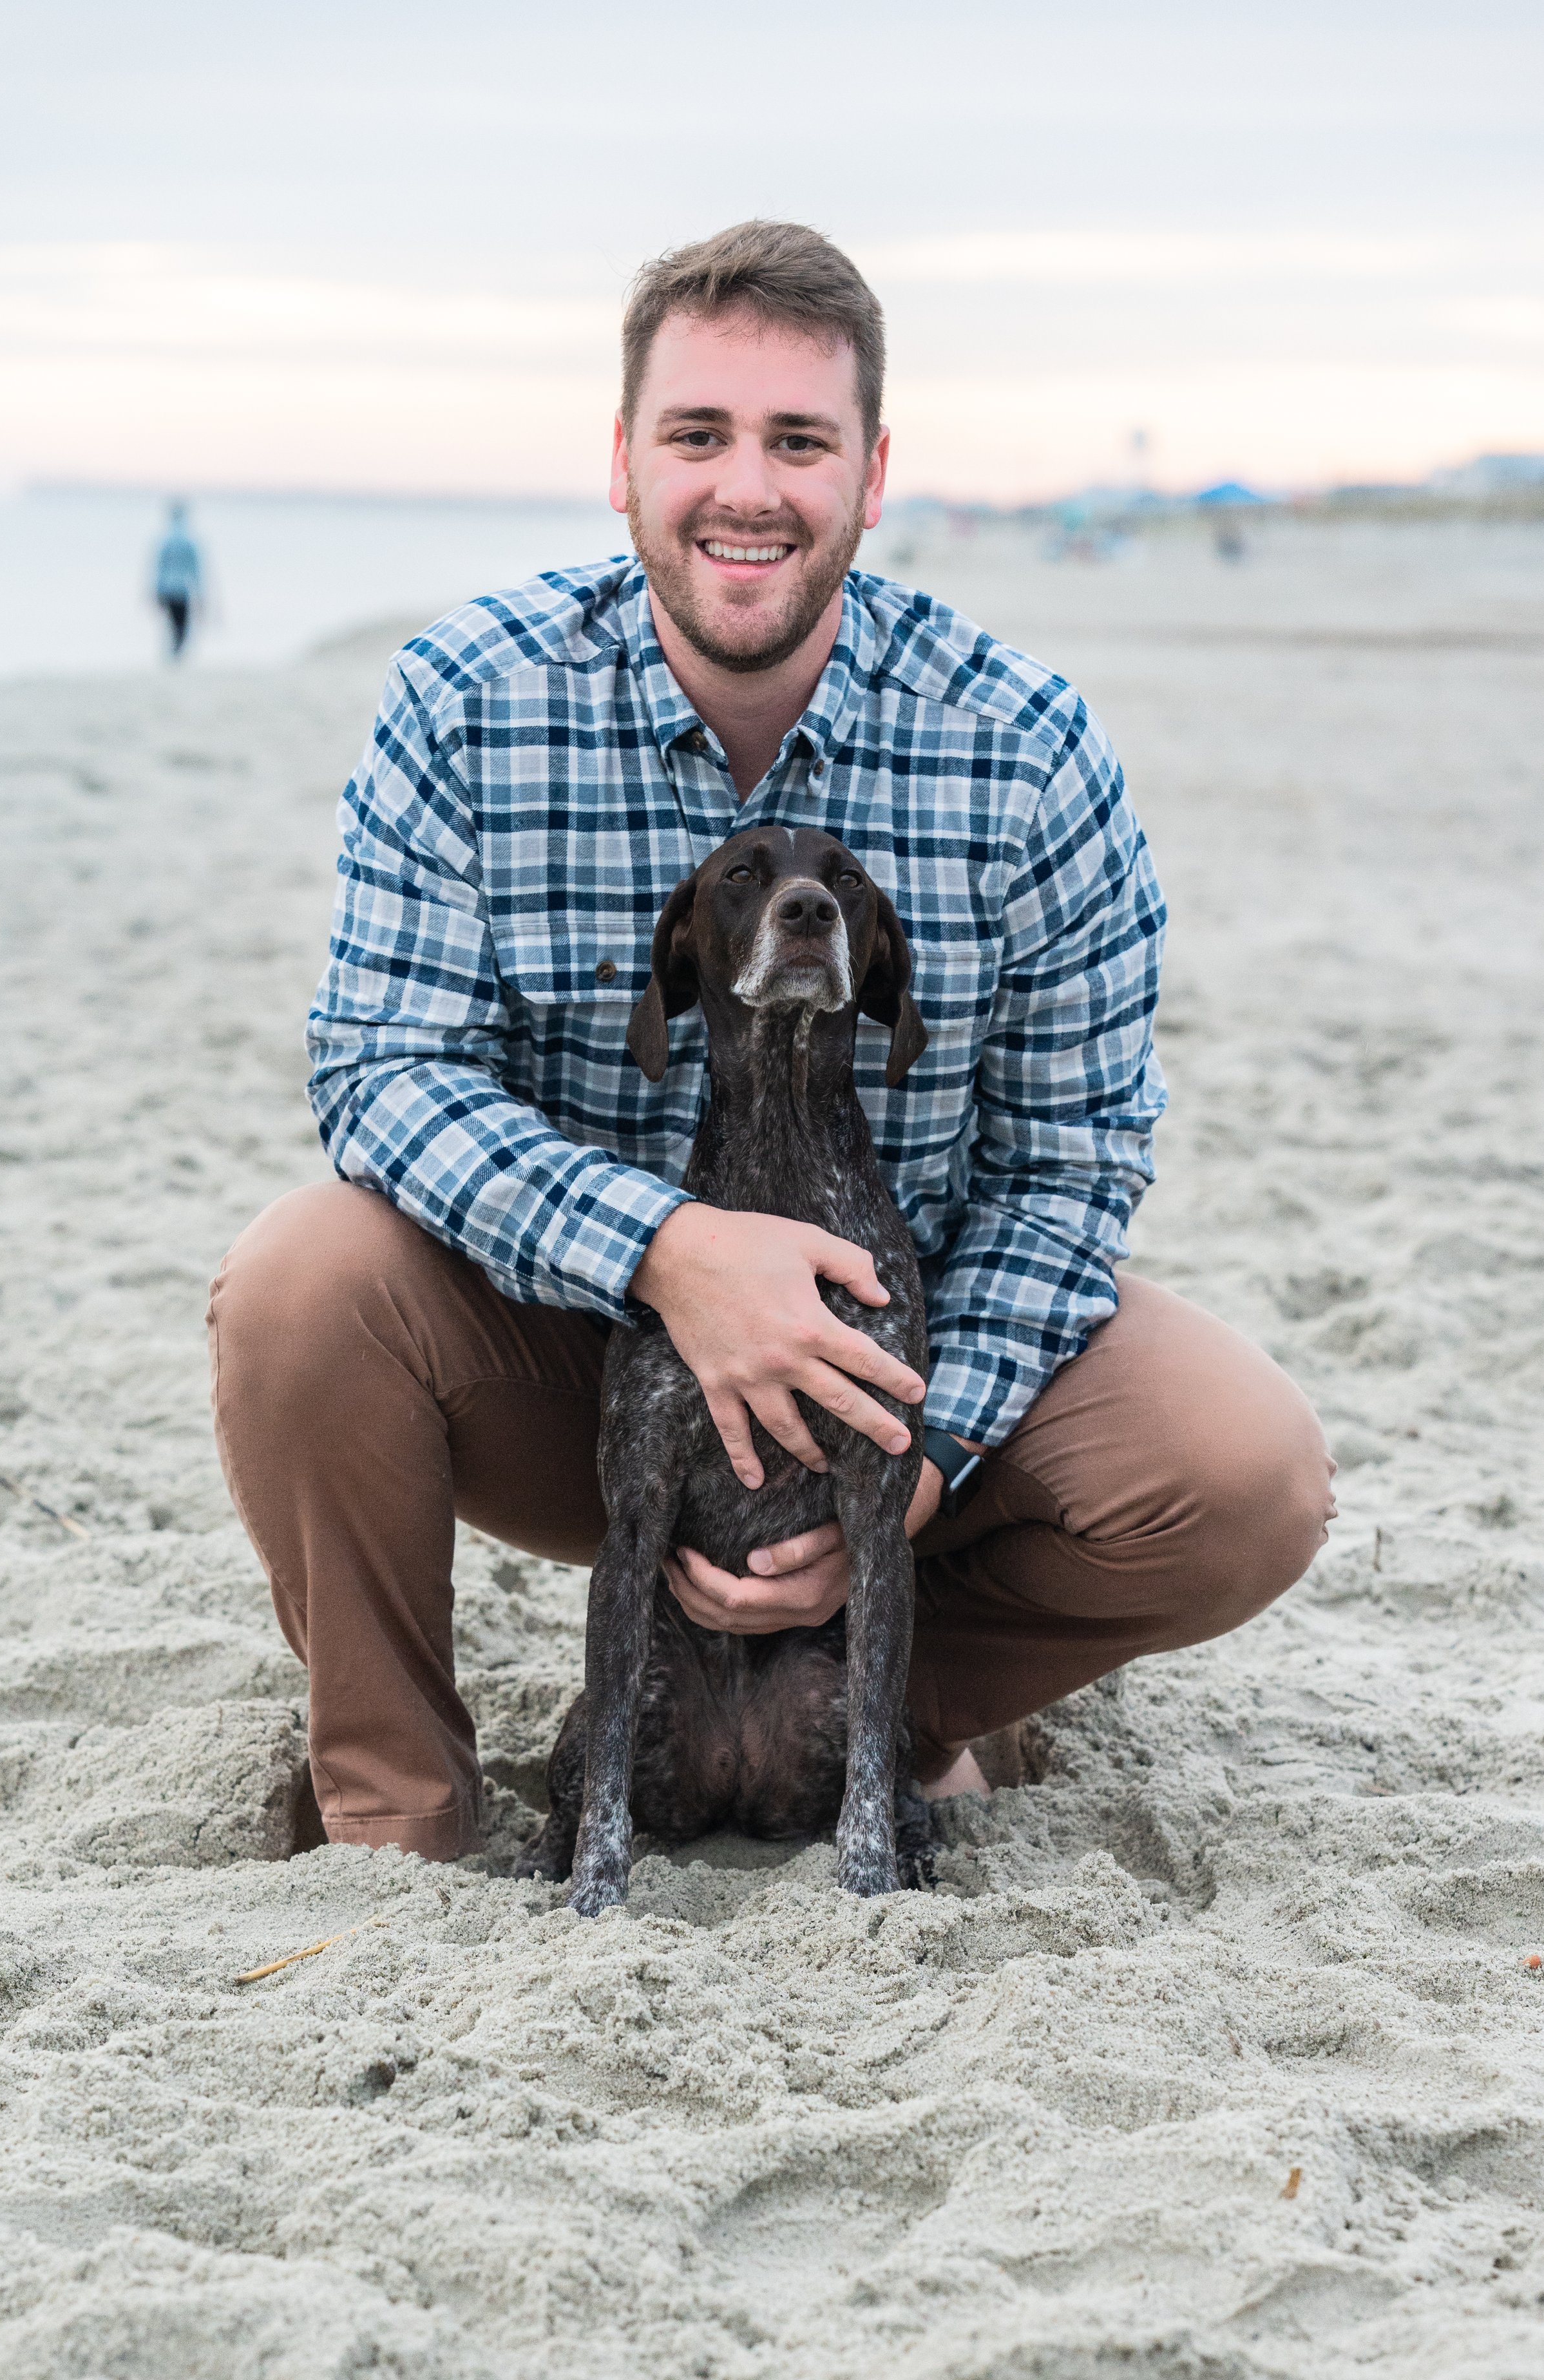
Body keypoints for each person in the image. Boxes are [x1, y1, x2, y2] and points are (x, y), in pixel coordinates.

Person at [208, 222, 1336, 1862]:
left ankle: (890, 1702)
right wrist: (669, 1252)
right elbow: (384, 1073)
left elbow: (1070, 1163)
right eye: (699, 434)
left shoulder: (1023, 748)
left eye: (799, 441)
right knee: (299, 1285)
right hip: (578, 1362)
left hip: (893, 1373)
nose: (747, 488)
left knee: (1244, 1471)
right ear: (622, 461)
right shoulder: (466, 697)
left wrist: (919, 1461)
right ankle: (402, 1818)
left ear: (871, 475)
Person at [152, 502, 203, 655]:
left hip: (168, 589)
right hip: (182, 590)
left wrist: (157, 590)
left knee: (172, 624)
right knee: (181, 625)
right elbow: (195, 570)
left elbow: (160, 568)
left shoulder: (166, 541)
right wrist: (200, 592)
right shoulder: (189, 541)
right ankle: (176, 653)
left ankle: (174, 653)